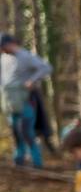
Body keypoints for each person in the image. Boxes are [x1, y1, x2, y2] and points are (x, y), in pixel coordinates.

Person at [0, 33, 53, 168]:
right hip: (10, 101)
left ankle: (36, 162)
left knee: (26, 131)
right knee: (15, 131)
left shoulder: (25, 56)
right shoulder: (3, 58)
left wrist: (32, 80)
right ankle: (19, 160)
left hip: (25, 100)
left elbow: (46, 67)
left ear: (10, 44)